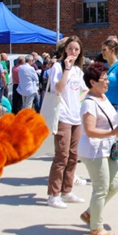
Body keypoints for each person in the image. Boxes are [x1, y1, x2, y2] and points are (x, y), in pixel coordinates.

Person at [76, 61, 118, 235]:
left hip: (108, 147)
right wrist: (113, 131)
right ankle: (96, 227)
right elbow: (89, 131)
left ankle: (90, 213)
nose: (107, 82)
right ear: (92, 82)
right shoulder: (89, 103)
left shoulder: (104, 98)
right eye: (103, 79)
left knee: (117, 183)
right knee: (101, 188)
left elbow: (109, 120)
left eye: (106, 78)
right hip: (94, 150)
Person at [46, 37, 87, 209]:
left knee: (73, 156)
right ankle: (53, 195)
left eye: (77, 50)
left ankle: (67, 191)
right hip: (62, 116)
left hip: (76, 116)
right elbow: (59, 88)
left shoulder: (78, 71)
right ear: (65, 50)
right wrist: (67, 69)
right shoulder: (58, 67)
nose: (74, 52)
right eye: (71, 49)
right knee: (61, 156)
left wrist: (78, 101)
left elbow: (85, 89)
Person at [100, 36, 118, 116]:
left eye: (104, 50)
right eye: (102, 50)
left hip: (115, 106)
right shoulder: (104, 66)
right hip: (104, 105)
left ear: (112, 50)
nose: (102, 52)